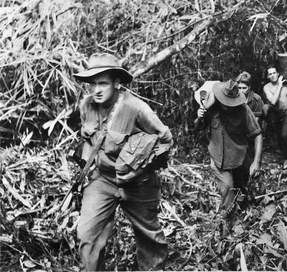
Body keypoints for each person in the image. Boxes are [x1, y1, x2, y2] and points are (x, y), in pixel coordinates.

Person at [74, 53, 173, 271]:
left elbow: (165, 139)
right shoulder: (86, 106)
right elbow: (87, 139)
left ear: (117, 83)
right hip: (103, 180)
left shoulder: (136, 108)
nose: (96, 90)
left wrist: (141, 164)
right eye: (92, 84)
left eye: (103, 83)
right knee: (86, 235)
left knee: (149, 238)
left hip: (137, 183)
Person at [195, 79, 262, 219]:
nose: (227, 106)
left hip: (239, 158)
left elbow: (257, 134)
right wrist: (199, 117)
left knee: (241, 192)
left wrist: (256, 162)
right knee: (227, 190)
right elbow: (198, 129)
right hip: (218, 159)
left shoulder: (244, 110)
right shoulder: (211, 108)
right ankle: (227, 227)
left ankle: (242, 217)